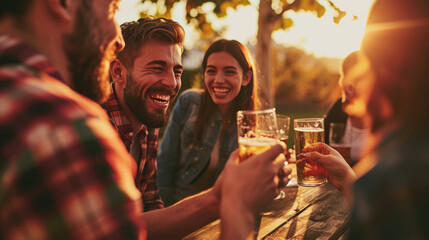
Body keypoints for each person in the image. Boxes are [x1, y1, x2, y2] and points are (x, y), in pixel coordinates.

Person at [0, 1, 291, 239]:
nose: (116, 38)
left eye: (177, 71)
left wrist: (218, 198)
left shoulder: (145, 119)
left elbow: (148, 208)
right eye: (113, 8)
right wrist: (234, 206)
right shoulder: (68, 128)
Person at [300, 0, 429, 238]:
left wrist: (236, 207)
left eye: (364, 70)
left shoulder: (397, 176)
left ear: (385, 68)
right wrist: (349, 179)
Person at [157, 39, 258, 205]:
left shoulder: (251, 124)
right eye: (211, 71)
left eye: (229, 72)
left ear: (246, 77)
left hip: (220, 214)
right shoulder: (189, 102)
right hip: (178, 206)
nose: (218, 79)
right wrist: (161, 212)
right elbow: (165, 163)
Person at [102, 17, 186, 211]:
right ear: (118, 72)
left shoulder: (146, 117)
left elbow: (149, 201)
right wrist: (215, 201)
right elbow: (119, 227)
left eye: (177, 72)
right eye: (157, 68)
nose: (172, 83)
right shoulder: (96, 129)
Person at [324, 51, 370, 166]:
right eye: (345, 75)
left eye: (357, 79)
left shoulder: (388, 118)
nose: (348, 84)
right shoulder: (338, 109)